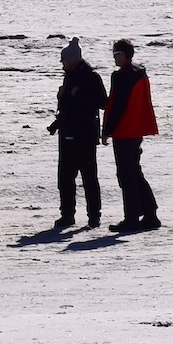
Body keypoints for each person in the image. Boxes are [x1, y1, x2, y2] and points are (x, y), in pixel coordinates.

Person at [46, 40, 108, 230]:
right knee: (65, 177)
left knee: (89, 177)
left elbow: (103, 102)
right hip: (67, 133)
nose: (62, 63)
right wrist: (62, 97)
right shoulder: (69, 76)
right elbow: (67, 106)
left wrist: (78, 94)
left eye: (63, 59)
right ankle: (67, 215)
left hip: (85, 134)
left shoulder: (91, 77)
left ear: (73, 60)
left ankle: (94, 216)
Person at [105, 38, 161, 233]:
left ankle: (132, 218)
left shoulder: (122, 76)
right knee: (134, 172)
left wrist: (106, 131)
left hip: (124, 131)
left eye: (115, 54)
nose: (114, 58)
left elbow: (117, 107)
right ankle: (150, 214)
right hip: (135, 130)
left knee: (127, 175)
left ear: (123, 55)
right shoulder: (139, 73)